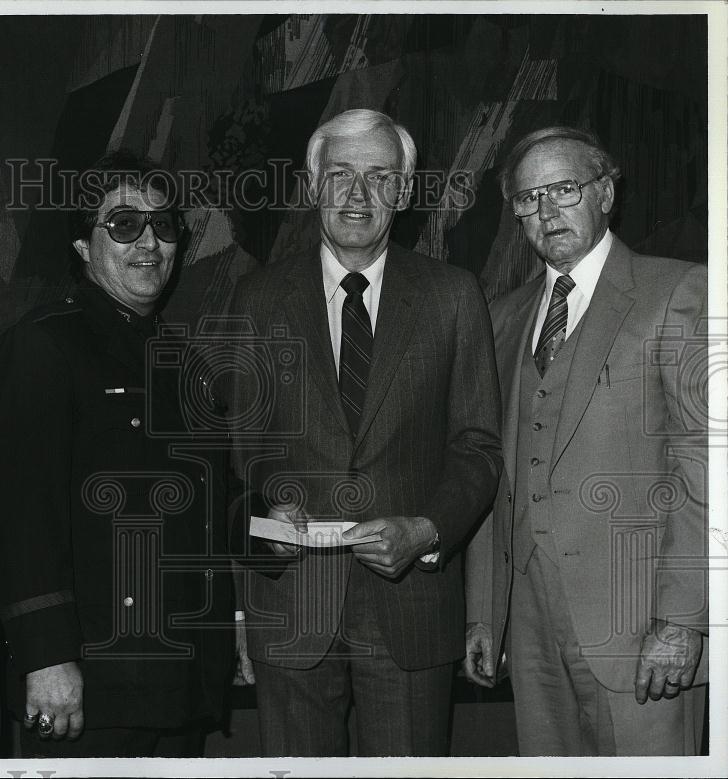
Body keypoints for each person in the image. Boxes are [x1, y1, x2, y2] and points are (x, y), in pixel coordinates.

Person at [227, 108, 502, 756]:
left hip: (410, 608)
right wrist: (272, 506)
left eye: (379, 177)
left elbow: (478, 448)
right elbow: (244, 449)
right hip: (291, 606)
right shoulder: (257, 298)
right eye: (342, 174)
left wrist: (427, 528)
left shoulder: (452, 296)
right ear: (313, 184)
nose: (358, 194)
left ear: (404, 192)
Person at [463, 126, 708, 755]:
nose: (546, 211)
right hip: (533, 631)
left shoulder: (680, 291)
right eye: (528, 198)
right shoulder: (503, 317)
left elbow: (707, 468)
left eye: (564, 189)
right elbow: (494, 473)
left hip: (642, 631)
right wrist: (485, 613)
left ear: (605, 192)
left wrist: (683, 620)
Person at [0, 151, 234, 758]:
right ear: (82, 245)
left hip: (178, 679)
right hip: (89, 683)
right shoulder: (43, 347)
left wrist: (269, 527)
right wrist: (45, 658)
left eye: (164, 226)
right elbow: (22, 520)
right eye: (124, 225)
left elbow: (211, 502)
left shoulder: (183, 362)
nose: (149, 242)